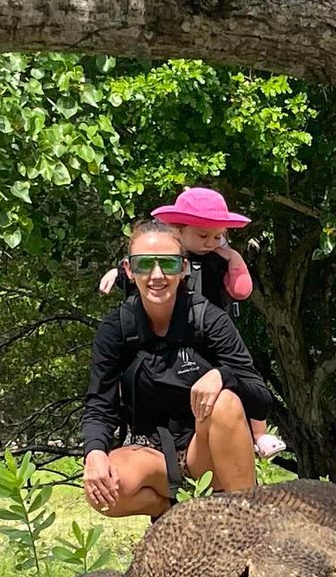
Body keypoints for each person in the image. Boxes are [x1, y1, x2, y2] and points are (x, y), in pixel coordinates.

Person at [83, 218, 272, 519]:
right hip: (148, 452)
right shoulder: (116, 328)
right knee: (104, 492)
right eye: (145, 265)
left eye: (168, 264)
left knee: (225, 401)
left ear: (184, 268)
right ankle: (171, 510)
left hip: (205, 450)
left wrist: (222, 376)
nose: (157, 275)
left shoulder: (208, 319)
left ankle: (248, 519)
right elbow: (99, 404)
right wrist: (93, 452)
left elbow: (260, 398)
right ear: (129, 271)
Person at [99, 187, 285, 460]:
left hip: (211, 329)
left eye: (218, 236)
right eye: (203, 235)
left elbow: (242, 289)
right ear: (178, 230)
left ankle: (258, 433)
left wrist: (233, 258)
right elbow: (138, 262)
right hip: (172, 340)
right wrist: (117, 271)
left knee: (238, 378)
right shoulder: (152, 267)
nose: (211, 243)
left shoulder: (216, 261)